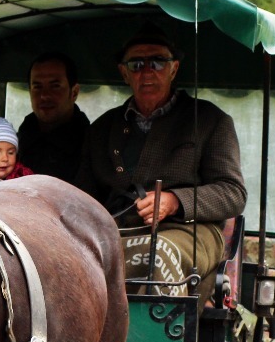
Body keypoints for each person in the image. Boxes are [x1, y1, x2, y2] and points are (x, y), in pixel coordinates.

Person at [76, 24, 245, 298]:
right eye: (137, 64)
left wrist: (175, 201)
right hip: (117, 231)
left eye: (157, 62)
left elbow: (233, 194)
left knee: (157, 255)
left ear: (174, 69)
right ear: (124, 72)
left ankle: (156, 341)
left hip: (189, 231)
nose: (147, 71)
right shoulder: (101, 129)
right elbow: (82, 197)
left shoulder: (210, 121)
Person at [15, 51, 89, 183]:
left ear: (74, 92)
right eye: (37, 87)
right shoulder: (15, 143)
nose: (44, 95)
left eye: (55, 86)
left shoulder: (94, 145)